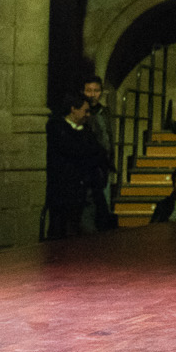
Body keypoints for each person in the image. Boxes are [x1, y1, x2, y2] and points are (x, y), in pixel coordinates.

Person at [45, 94, 108, 238]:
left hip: (86, 190)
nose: (87, 115)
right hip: (66, 192)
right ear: (73, 109)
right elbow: (74, 152)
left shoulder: (87, 131)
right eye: (85, 111)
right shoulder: (57, 128)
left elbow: (99, 152)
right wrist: (88, 155)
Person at [78, 75, 120, 230]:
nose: (92, 94)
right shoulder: (81, 114)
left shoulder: (104, 112)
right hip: (89, 168)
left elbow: (108, 137)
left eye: (96, 90)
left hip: (103, 167)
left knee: (103, 207)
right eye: (89, 90)